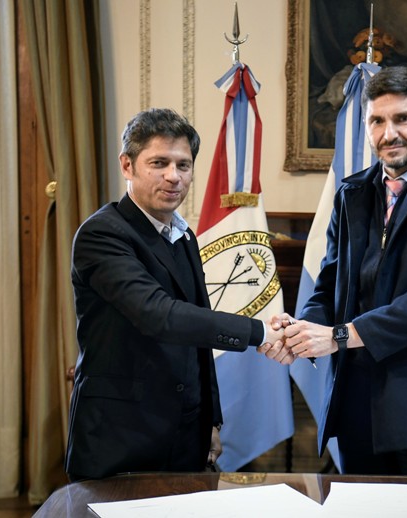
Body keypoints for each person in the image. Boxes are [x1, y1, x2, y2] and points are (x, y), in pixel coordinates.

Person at [259, 66, 407, 476]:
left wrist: (337, 336)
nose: (390, 133)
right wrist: (301, 331)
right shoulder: (351, 192)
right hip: (357, 408)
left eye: (403, 119)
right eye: (377, 121)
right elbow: (329, 285)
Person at [65, 108, 283, 480]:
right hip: (120, 437)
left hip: (185, 435)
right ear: (127, 165)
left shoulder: (183, 236)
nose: (173, 176)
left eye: (183, 165)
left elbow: (199, 343)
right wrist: (259, 332)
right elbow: (160, 315)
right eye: (159, 163)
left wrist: (211, 419)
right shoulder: (102, 233)